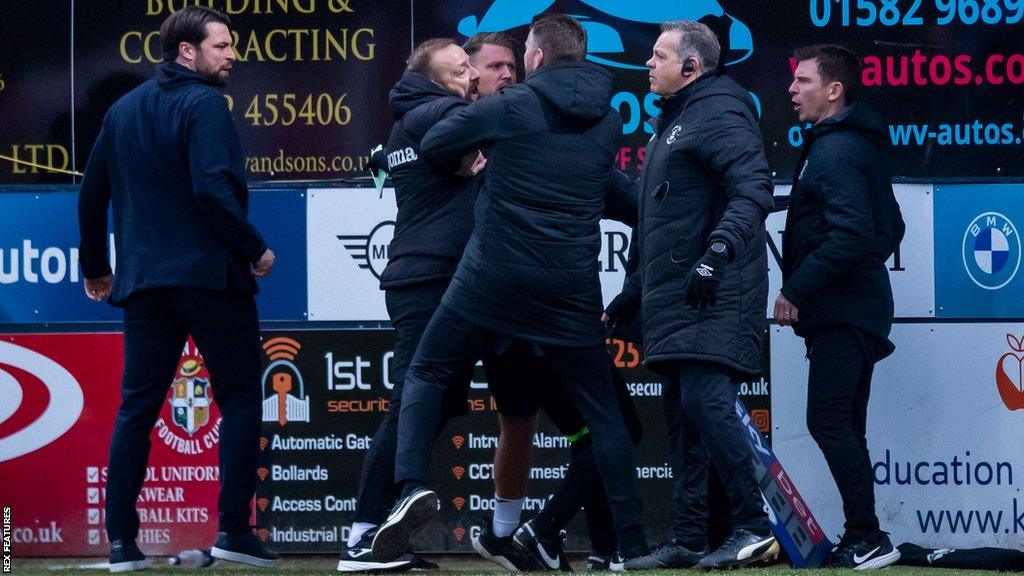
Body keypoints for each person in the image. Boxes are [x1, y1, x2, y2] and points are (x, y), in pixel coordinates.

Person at [371, 13, 648, 565]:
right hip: (569, 291)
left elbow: (437, 144)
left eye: (512, 63)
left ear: (536, 59)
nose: (505, 73)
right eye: (490, 67)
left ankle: (410, 490)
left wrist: (483, 145)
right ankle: (629, 550)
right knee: (603, 422)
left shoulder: (505, 109)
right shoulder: (606, 121)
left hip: (491, 284)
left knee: (427, 373)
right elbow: (627, 198)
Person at [77, 6, 279, 572]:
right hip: (211, 278)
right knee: (239, 398)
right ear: (186, 52)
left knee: (136, 408)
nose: (232, 55)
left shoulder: (122, 109)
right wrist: (253, 248)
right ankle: (234, 532)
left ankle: (122, 545)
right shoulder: (205, 104)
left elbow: (91, 197)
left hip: (144, 285)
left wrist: (97, 267)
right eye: (222, 46)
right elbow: (213, 190)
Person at [606, 20, 777, 570]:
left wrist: (717, 254)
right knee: (682, 415)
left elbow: (753, 190)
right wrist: (630, 294)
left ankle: (754, 528)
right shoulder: (670, 125)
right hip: (675, 296)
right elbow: (659, 225)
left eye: (658, 56)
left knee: (705, 401)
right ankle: (690, 537)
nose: (647, 65)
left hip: (715, 291)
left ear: (692, 67)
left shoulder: (720, 109)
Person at [337, 38, 482, 573]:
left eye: (472, 66)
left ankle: (376, 534)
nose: (472, 76)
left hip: (440, 280)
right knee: (409, 404)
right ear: (431, 80)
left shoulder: (415, 121)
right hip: (426, 281)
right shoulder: (433, 111)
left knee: (431, 407)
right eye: (461, 69)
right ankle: (362, 536)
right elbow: (468, 125)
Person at [776, 44, 904, 570]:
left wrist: (797, 290)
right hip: (855, 310)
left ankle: (867, 534)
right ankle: (865, 535)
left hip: (844, 312)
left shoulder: (836, 151)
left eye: (803, 81)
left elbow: (854, 233)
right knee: (844, 422)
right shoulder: (849, 145)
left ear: (834, 90)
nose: (791, 89)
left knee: (828, 419)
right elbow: (890, 226)